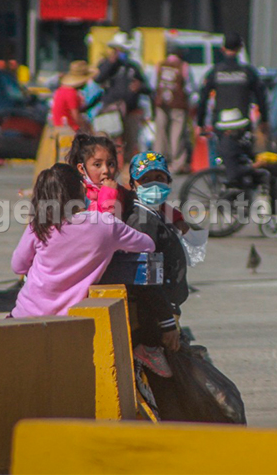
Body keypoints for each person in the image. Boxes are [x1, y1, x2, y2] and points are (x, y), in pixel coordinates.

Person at [196, 32, 277, 241]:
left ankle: (253, 201)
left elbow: (203, 98)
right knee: (266, 175)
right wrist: (265, 121)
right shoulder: (248, 73)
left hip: (222, 132)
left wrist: (200, 123)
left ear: (223, 49)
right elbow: (262, 97)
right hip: (242, 133)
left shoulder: (215, 72)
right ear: (241, 49)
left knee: (244, 170)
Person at [10, 163, 155, 318]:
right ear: (82, 190)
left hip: (26, 315)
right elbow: (148, 245)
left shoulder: (39, 224)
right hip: (73, 320)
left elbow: (18, 266)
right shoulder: (106, 224)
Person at [117, 152, 193, 419]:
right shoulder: (143, 221)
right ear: (133, 186)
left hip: (161, 314)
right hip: (152, 324)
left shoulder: (156, 215)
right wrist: (165, 323)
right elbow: (146, 279)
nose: (154, 185)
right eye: (146, 180)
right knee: (165, 386)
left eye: (160, 179)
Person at [94, 32, 152, 163]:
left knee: (130, 144)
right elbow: (98, 78)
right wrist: (110, 62)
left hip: (130, 112)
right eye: (120, 50)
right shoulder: (106, 65)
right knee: (108, 143)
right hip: (112, 111)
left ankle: (127, 171)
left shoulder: (133, 67)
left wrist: (140, 87)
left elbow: (148, 89)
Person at [66, 133, 134, 217]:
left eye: (111, 164)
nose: (106, 170)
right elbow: (102, 227)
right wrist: (108, 195)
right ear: (82, 169)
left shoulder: (122, 194)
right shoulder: (79, 197)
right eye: (97, 165)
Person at [154, 44, 194, 174]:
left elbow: (153, 84)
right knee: (177, 133)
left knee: (160, 133)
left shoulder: (160, 65)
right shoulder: (183, 66)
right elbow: (190, 87)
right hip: (178, 104)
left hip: (161, 103)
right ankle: (176, 163)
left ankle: (158, 162)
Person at [51, 60, 95, 133]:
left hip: (60, 126)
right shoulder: (71, 93)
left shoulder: (61, 89)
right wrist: (87, 128)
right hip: (68, 129)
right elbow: (76, 116)